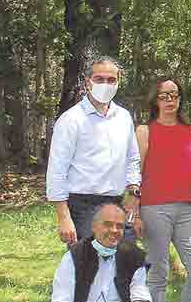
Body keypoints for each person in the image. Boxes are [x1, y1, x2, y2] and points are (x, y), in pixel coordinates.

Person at [134, 75, 191, 302]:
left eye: (174, 95)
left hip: (187, 209)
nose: (169, 100)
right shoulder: (145, 130)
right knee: (158, 272)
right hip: (155, 208)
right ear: (155, 99)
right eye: (164, 95)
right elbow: (135, 174)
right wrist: (135, 211)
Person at [45, 54, 141, 245]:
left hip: (116, 202)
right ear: (88, 82)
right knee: (89, 265)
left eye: (111, 79)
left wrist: (133, 192)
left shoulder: (123, 117)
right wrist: (64, 217)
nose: (106, 84)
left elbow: (132, 159)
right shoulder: (71, 120)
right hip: (83, 205)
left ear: (118, 82)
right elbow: (57, 170)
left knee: (127, 259)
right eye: (99, 79)